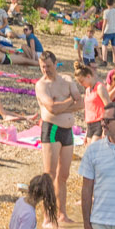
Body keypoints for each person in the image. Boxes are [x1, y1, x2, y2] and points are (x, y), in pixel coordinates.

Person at [33, 51, 79, 217]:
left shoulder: (66, 79)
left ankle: (62, 214)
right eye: (43, 67)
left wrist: (62, 106)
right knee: (50, 175)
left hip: (68, 131)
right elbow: (51, 108)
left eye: (49, 66)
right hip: (51, 129)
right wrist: (69, 101)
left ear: (56, 64)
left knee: (63, 175)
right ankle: (47, 215)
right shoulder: (41, 85)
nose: (46, 70)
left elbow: (80, 102)